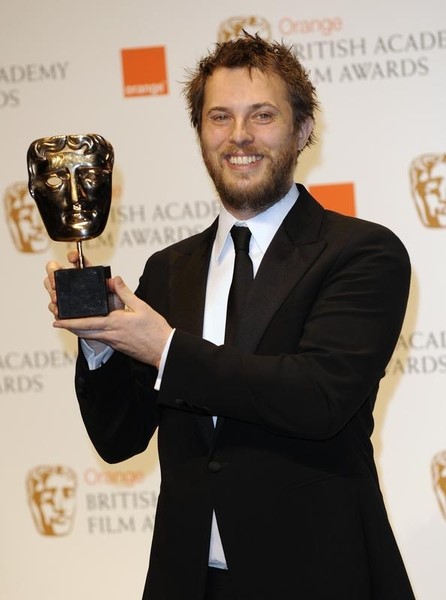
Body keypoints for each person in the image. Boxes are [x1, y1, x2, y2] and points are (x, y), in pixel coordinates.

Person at [44, 33, 415, 600]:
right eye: (220, 117)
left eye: (261, 115)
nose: (239, 136)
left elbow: (317, 398)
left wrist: (165, 348)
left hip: (319, 577)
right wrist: (101, 340)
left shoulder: (362, 253)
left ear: (303, 129)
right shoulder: (169, 269)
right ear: (200, 134)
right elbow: (119, 439)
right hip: (188, 581)